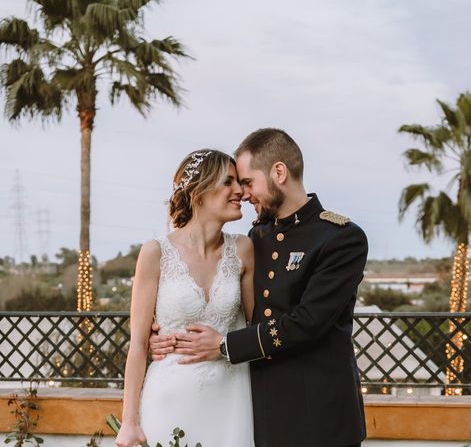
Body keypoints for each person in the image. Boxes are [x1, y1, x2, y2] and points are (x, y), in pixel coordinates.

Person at [151, 129, 369, 446]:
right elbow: (233, 305)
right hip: (261, 411)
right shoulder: (258, 238)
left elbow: (309, 321)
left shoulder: (341, 238)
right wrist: (162, 333)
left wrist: (225, 345)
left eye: (248, 182)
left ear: (279, 172)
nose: (244, 193)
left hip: (319, 415)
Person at [115, 149, 256, 447]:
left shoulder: (244, 249)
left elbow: (257, 328)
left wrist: (225, 343)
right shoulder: (155, 253)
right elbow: (139, 344)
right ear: (200, 193)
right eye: (228, 182)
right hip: (168, 400)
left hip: (230, 403)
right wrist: (128, 422)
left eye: (239, 183)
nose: (240, 191)